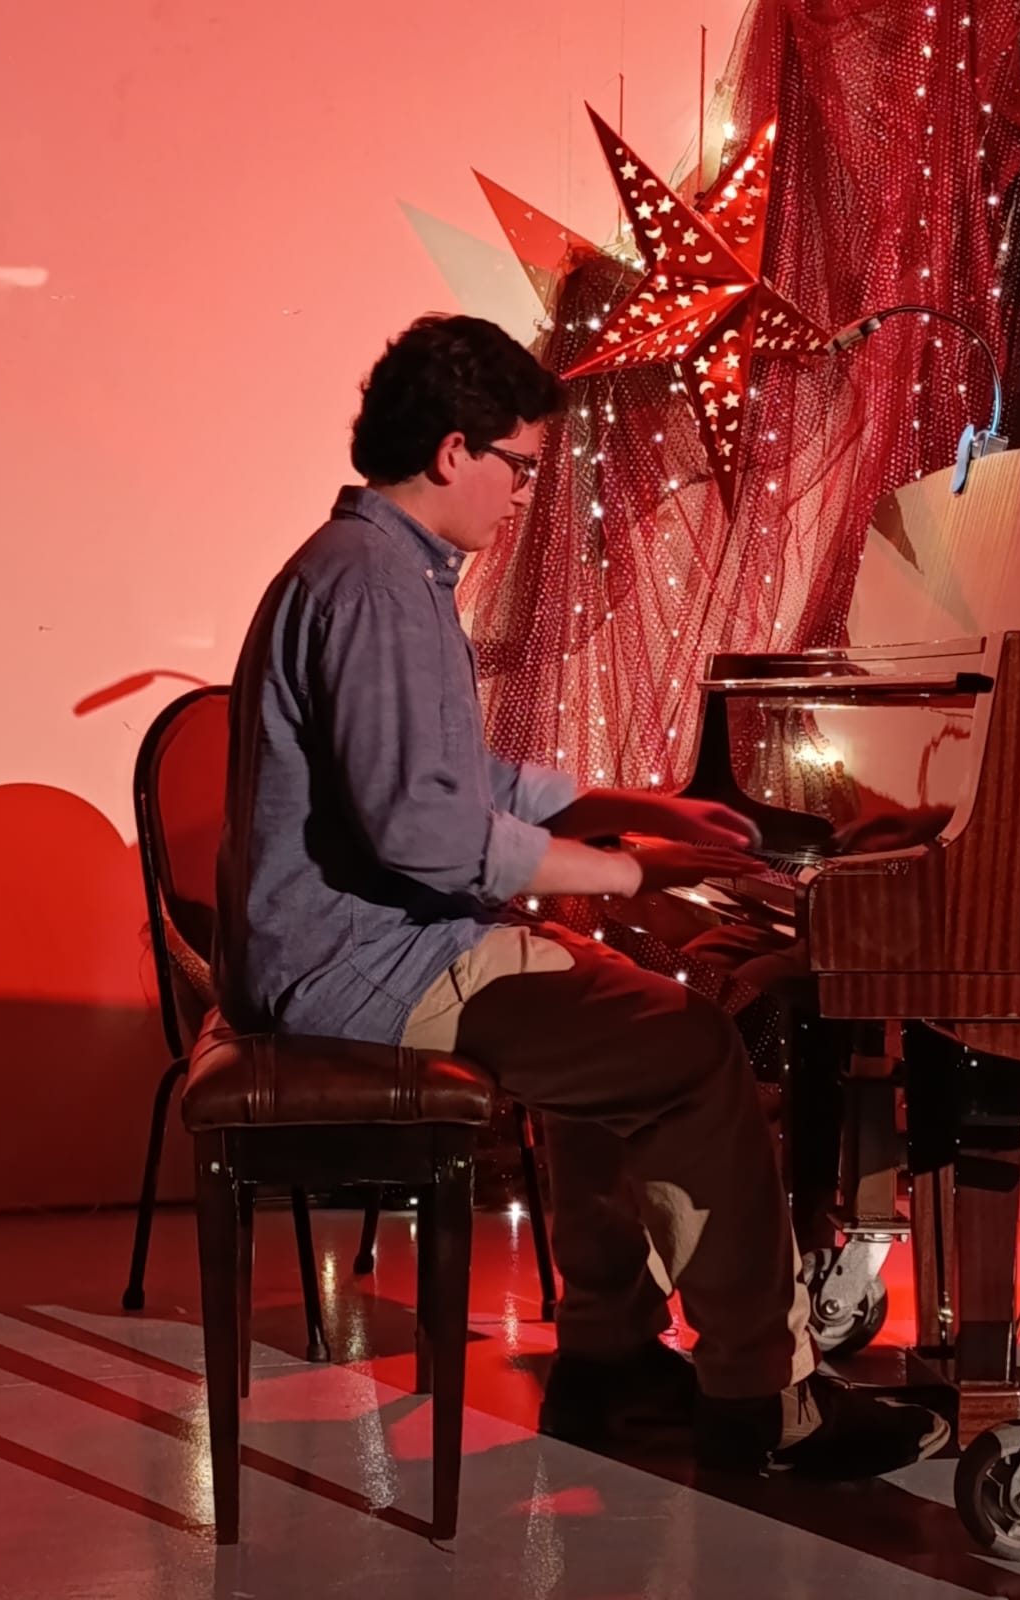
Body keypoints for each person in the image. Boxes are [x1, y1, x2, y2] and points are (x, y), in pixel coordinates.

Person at [214, 313, 949, 1477]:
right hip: (356, 969)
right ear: (451, 451)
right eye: (517, 466)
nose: (523, 495)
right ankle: (766, 1398)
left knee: (610, 1018)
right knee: (690, 1042)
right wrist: (629, 869)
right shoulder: (375, 584)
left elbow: (462, 781)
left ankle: (609, 1353)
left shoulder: (375, 566)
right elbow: (423, 831)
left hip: (353, 950)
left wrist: (638, 808)